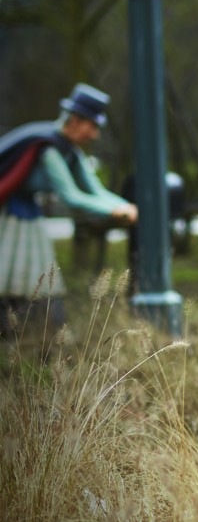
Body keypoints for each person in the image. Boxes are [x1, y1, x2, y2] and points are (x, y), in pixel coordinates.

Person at [0, 83, 138, 336]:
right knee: (11, 270)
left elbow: (95, 190)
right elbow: (72, 197)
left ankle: (33, 333)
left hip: (29, 213)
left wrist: (123, 206)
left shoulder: (70, 152)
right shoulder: (50, 150)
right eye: (92, 126)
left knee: (34, 273)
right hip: (11, 215)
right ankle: (18, 331)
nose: (94, 134)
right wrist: (115, 212)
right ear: (74, 121)